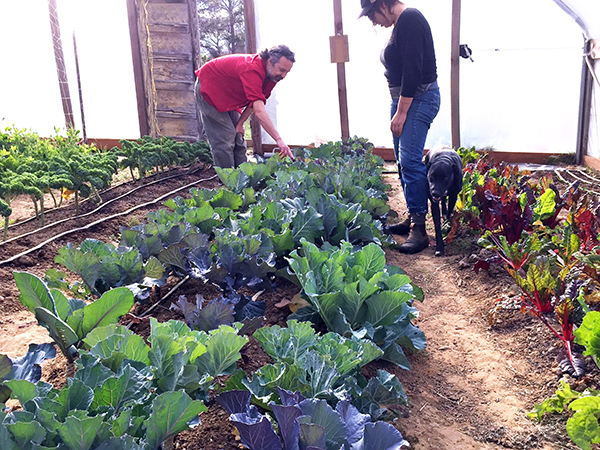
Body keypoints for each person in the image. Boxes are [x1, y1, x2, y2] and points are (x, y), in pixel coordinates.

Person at [359, 0, 440, 254]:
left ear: (383, 4)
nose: (373, 21)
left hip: (418, 99)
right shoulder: (399, 24)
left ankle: (420, 229)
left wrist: (402, 112)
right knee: (401, 161)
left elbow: (413, 71)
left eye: (372, 13)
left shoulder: (411, 19)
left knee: (410, 161)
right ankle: (413, 216)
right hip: (403, 101)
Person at [194, 45, 296, 168]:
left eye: (287, 72)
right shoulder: (251, 69)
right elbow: (259, 111)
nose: (283, 76)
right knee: (225, 140)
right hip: (210, 88)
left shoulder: (271, 77)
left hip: (229, 95)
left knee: (238, 137)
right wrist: (278, 140)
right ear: (270, 61)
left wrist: (240, 123)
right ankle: (228, 182)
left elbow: (255, 103)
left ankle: (243, 178)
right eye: (282, 70)